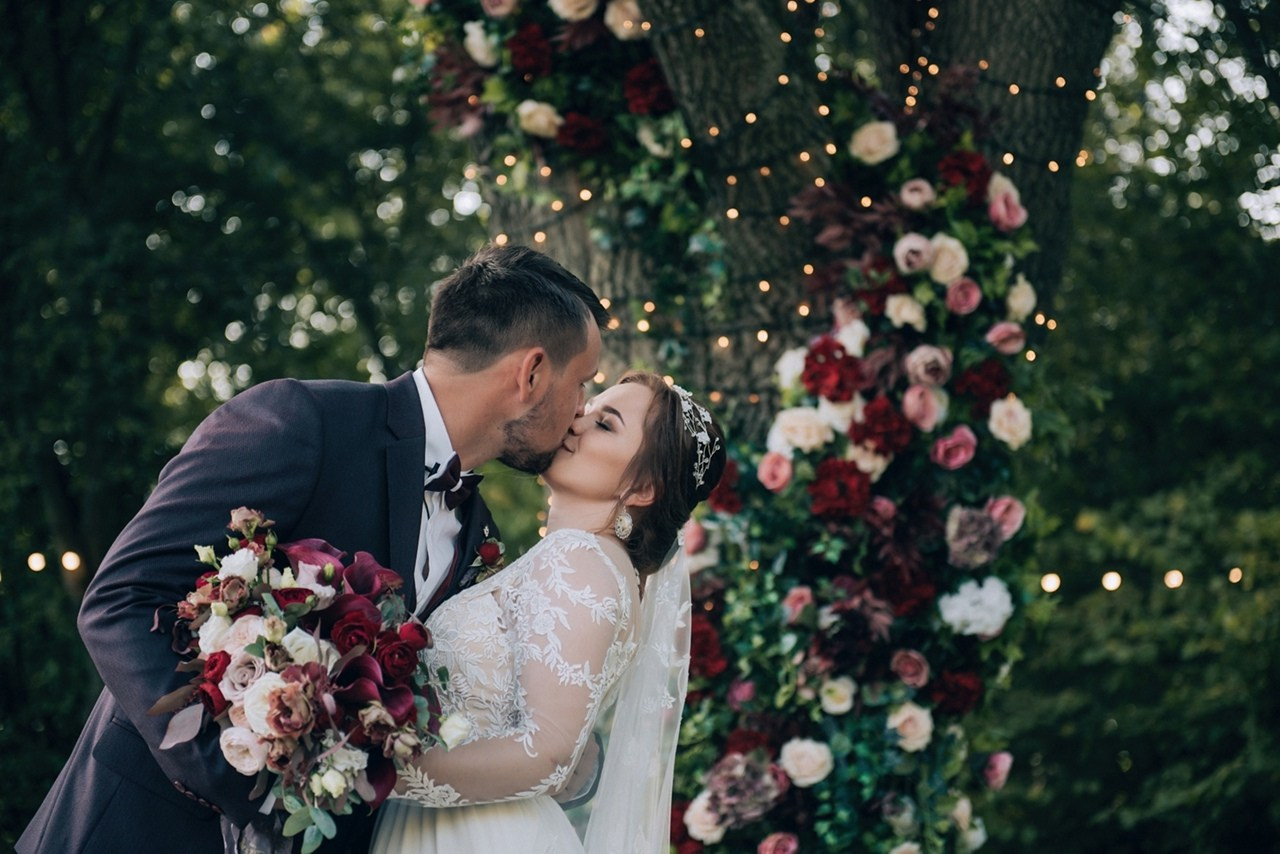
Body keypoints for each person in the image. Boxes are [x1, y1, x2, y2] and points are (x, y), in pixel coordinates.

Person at [17, 245, 609, 854]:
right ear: (531, 372)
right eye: (582, 381)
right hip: (143, 828)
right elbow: (120, 600)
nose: (581, 409)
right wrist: (254, 791)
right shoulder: (305, 420)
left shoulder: (479, 535)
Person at [369, 371, 727, 854]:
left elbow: (550, 752)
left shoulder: (580, 560)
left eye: (606, 424)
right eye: (591, 407)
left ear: (643, 488)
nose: (577, 420)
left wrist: (372, 771)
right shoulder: (596, 566)